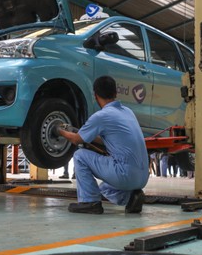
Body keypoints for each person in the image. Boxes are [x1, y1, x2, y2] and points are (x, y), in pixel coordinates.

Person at [58, 76, 149, 214]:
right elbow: (111, 139)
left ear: (95, 95)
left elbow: (76, 140)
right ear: (115, 93)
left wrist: (59, 130)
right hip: (142, 177)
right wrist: (89, 136)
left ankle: (90, 202)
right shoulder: (128, 112)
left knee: (79, 155)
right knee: (105, 189)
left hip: (124, 174)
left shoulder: (102, 116)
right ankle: (131, 197)